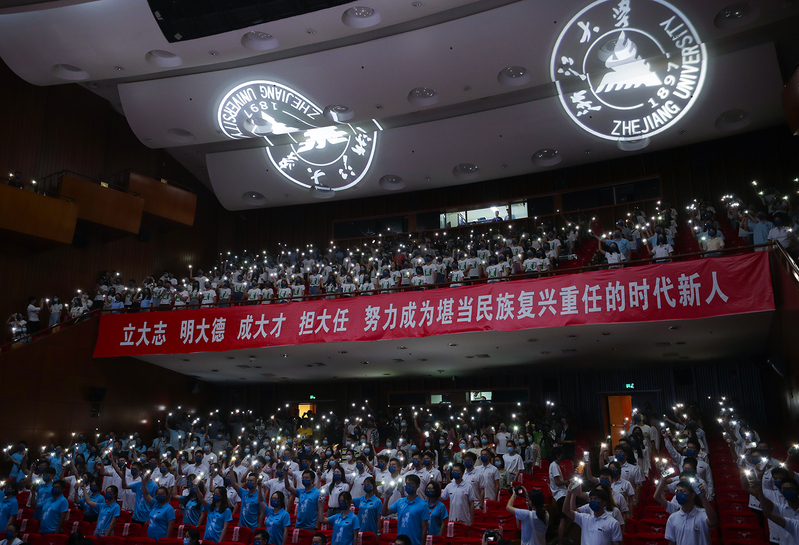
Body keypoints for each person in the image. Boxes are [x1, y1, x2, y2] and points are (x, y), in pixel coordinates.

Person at [663, 480, 717, 545]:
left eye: (682, 491)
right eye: (677, 492)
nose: (679, 494)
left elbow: (713, 522)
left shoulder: (702, 514)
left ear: (692, 495)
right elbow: (671, 542)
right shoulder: (672, 518)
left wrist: (703, 497)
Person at [382, 475, 429, 545]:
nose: (408, 486)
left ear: (417, 486)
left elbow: (424, 528)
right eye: (407, 484)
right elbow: (384, 513)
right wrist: (387, 498)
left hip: (415, 542)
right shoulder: (400, 502)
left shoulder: (423, 505)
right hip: (400, 542)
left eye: (411, 484)